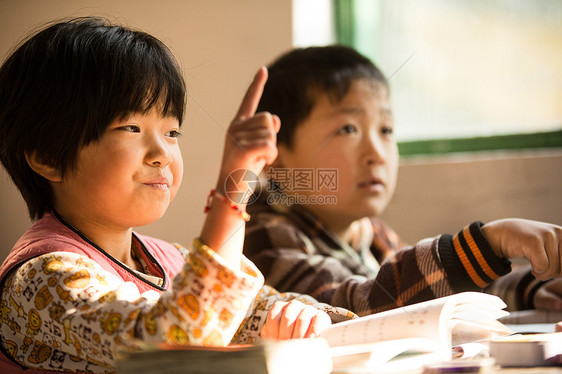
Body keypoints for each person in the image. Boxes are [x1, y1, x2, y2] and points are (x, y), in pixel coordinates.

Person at [0, 18, 345, 374]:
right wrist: (233, 187)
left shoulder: (171, 260)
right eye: (131, 128)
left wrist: (299, 316)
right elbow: (180, 342)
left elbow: (251, 310)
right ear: (47, 158)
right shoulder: (43, 278)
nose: (162, 153)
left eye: (171, 131)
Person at [243, 45, 562, 317]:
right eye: (348, 129)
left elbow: (436, 290)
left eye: (386, 130)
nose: (377, 153)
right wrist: (486, 245)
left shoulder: (371, 233)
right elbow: (358, 308)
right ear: (277, 155)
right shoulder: (264, 235)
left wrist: (531, 289)